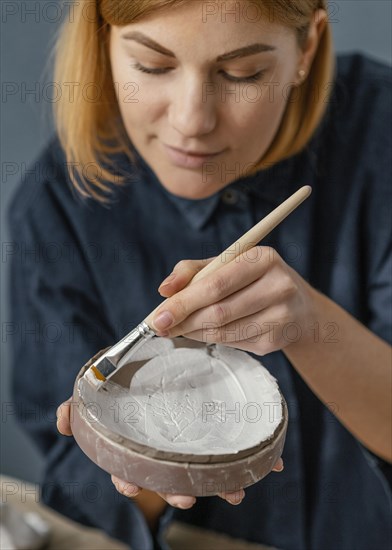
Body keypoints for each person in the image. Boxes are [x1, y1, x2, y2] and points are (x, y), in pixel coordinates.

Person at [7, 1, 391, 549]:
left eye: (242, 74)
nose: (192, 121)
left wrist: (311, 329)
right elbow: (81, 499)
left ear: (306, 47)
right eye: (152, 66)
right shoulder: (55, 208)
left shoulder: (380, 138)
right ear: (102, 43)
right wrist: (146, 450)